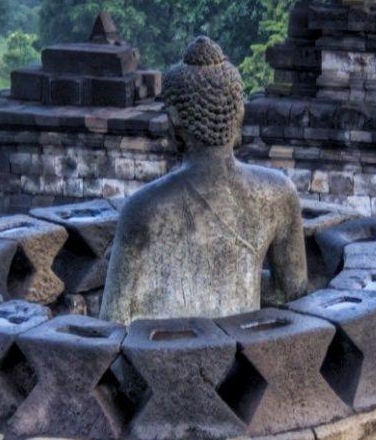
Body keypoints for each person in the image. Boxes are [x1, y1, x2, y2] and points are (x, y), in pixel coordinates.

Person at [98, 36, 309, 319]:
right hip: (246, 345)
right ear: (239, 115)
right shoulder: (278, 193)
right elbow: (295, 300)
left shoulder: (143, 210)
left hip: (163, 346)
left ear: (174, 120)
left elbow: (113, 323)